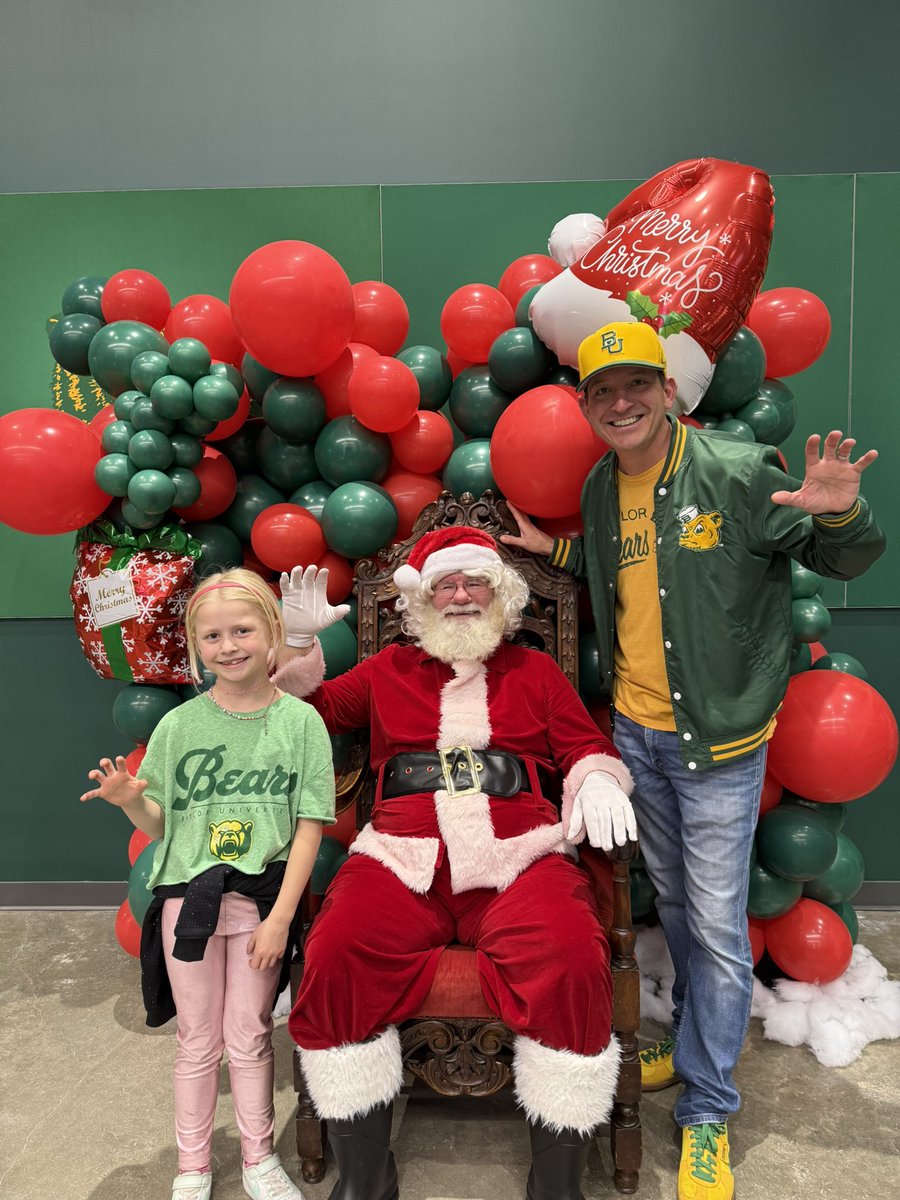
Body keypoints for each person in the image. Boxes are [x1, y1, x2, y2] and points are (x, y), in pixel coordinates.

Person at [500, 319, 886, 1200]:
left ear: (669, 391)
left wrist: (845, 513)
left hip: (716, 748)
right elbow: (616, 568)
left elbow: (846, 554)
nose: (622, 402)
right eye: (604, 391)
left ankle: (709, 1106)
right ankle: (695, 1045)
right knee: (675, 902)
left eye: (638, 384)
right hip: (637, 736)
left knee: (713, 929)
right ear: (590, 406)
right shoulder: (602, 487)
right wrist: (549, 553)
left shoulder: (740, 472)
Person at [274, 526, 638, 1200]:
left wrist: (596, 780)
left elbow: (585, 744)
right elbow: (304, 717)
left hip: (518, 857)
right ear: (421, 601)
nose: (462, 594)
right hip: (400, 857)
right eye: (446, 583)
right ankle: (365, 1176)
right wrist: (297, 649)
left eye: (476, 581)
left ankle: (556, 1184)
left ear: (502, 595)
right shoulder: (386, 672)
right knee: (339, 950)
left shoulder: (536, 673)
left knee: (569, 958)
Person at [81, 568, 336, 1200]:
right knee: (197, 1040)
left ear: (273, 633)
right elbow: (160, 820)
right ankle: (192, 1166)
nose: (230, 646)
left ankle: (258, 1159)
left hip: (261, 903)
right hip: (186, 902)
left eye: (243, 630)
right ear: (196, 646)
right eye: (213, 635)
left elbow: (308, 829)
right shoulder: (179, 727)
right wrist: (127, 803)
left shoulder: (301, 724)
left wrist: (281, 918)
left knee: (249, 1034)